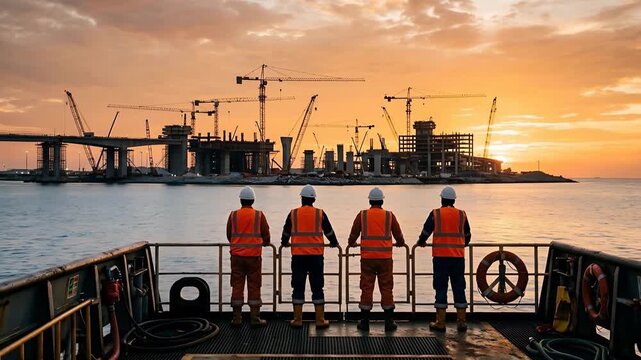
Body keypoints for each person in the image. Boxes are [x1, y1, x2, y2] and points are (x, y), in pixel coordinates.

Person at [281, 184, 339, 329]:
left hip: (298, 256)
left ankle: (297, 319)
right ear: (313, 199)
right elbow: (329, 231)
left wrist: (284, 243)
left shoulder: (293, 213)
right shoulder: (320, 213)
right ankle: (320, 319)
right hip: (316, 256)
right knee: (317, 286)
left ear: (301, 198)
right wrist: (334, 243)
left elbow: (286, 232)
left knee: (298, 286)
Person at [348, 187, 405, 332]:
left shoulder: (362, 215)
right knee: (386, 288)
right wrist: (399, 243)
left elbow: (353, 234)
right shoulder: (389, 216)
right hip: (385, 258)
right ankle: (389, 323)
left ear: (370, 200)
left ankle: (365, 323)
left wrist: (352, 243)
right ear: (382, 201)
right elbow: (398, 235)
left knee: (366, 288)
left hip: (367, 258)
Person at [417, 186, 471, 332]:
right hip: (458, 258)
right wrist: (460, 245)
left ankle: (440, 323)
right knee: (459, 287)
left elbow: (426, 231)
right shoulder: (462, 214)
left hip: (440, 258)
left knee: (441, 287)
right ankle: (462, 322)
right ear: (454, 200)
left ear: (442, 199)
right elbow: (467, 235)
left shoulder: (435, 213)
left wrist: (421, 242)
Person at [226, 186, 271, 327]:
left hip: (237, 256)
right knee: (254, 285)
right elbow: (266, 233)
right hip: (254, 257)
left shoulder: (233, 215)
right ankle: (255, 318)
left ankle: (236, 318)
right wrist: (265, 243)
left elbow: (229, 234)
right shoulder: (259, 215)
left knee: (237, 285)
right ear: (253, 200)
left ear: (241, 200)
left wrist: (237, 244)